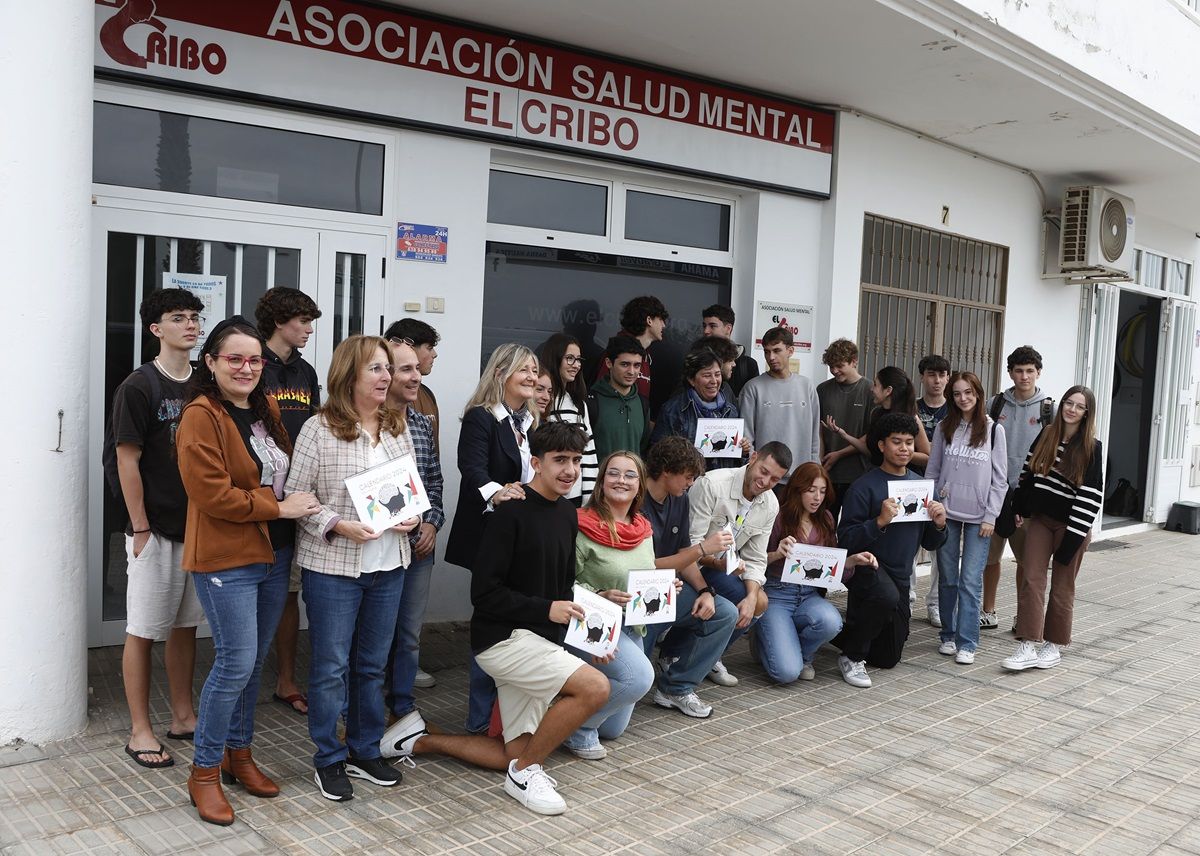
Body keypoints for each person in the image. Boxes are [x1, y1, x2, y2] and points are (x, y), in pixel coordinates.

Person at [379, 423, 610, 816]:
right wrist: (546, 610)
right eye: (559, 460)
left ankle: (416, 739)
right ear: (535, 463)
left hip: (540, 641)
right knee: (595, 688)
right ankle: (525, 774)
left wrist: (596, 629)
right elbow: (483, 594)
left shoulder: (569, 515)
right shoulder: (508, 514)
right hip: (501, 641)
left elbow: (562, 589)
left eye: (575, 460)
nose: (570, 470)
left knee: (511, 751)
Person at [176, 316, 321, 825]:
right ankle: (204, 772)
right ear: (210, 362)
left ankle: (240, 755)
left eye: (254, 359)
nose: (245, 367)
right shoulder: (201, 414)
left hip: (273, 554)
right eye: (233, 358)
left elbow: (287, 475)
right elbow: (211, 494)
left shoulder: (265, 410)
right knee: (234, 663)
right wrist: (277, 507)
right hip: (226, 557)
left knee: (253, 663)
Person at [285, 336, 421, 802]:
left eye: (389, 368)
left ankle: (364, 750)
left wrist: (415, 517)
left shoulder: (398, 427)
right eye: (376, 370)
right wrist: (338, 524)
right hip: (334, 567)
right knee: (330, 668)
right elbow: (298, 500)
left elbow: (412, 493)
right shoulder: (318, 429)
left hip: (390, 565)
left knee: (371, 665)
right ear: (349, 376)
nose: (387, 377)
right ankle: (328, 758)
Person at [112, 288, 206, 770]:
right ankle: (139, 729)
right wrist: (141, 526)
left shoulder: (204, 381)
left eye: (193, 317)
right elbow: (127, 461)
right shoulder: (139, 386)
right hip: (154, 529)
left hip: (198, 527)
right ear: (156, 329)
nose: (189, 325)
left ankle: (183, 715)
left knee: (185, 626)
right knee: (143, 629)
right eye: (177, 318)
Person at [445, 343, 541, 734]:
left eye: (535, 371)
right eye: (525, 370)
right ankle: (480, 721)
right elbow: (470, 467)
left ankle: (510, 716)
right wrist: (495, 491)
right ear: (501, 373)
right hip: (490, 534)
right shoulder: (481, 417)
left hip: (522, 532)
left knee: (517, 621)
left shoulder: (528, 421)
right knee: (492, 621)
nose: (533, 377)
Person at [833, 413, 947, 688]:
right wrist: (879, 522)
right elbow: (846, 538)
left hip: (899, 576)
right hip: (865, 567)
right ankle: (851, 655)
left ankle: (832, 630)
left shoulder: (920, 487)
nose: (905, 448)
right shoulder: (864, 487)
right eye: (897, 442)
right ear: (881, 445)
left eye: (909, 442)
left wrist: (940, 524)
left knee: (886, 658)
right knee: (884, 596)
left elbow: (931, 544)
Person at [561, 451, 657, 759]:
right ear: (601, 482)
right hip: (591, 623)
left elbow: (648, 574)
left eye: (630, 475)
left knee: (613, 729)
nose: (621, 480)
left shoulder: (643, 529)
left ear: (639, 486)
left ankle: (570, 705)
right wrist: (598, 595)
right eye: (613, 473)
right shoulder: (581, 525)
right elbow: (560, 584)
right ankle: (573, 728)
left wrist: (666, 587)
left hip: (632, 625)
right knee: (639, 678)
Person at [256, 286, 323, 718]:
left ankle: (285, 679)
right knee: (264, 588)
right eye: (303, 321)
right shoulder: (252, 365)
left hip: (302, 494)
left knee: (290, 591)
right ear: (280, 321)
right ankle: (247, 677)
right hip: (262, 497)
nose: (309, 329)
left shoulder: (306, 371)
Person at [1003, 386, 1102, 672]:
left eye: (1079, 406)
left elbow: (1092, 495)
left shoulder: (1091, 448)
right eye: (1068, 403)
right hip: (1041, 522)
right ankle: (1028, 644)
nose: (1071, 409)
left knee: (1062, 586)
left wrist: (1073, 538)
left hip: (1072, 527)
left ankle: (1053, 645)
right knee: (1032, 580)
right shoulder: (1047, 434)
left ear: (1086, 413)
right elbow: (1027, 473)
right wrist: (1019, 507)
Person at [640, 437, 737, 718]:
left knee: (723, 612)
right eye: (688, 476)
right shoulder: (636, 500)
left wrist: (707, 590)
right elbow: (647, 566)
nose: (690, 483)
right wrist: (704, 548)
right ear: (667, 470)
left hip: (672, 590)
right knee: (634, 682)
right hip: (636, 596)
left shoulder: (678, 500)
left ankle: (676, 687)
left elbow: (684, 554)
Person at [758, 462, 878, 683]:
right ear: (798, 488)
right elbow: (752, 561)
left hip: (808, 594)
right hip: (777, 593)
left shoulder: (826, 519)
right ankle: (765, 641)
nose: (817, 497)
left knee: (831, 622)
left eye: (822, 491)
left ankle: (803, 656)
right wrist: (776, 554)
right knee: (785, 674)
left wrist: (851, 561)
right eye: (811, 490)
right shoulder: (777, 516)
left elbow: (828, 571)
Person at [686, 442, 792, 686]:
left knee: (759, 601)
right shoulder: (712, 484)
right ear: (753, 458)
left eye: (775, 479)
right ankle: (680, 654)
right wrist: (720, 564)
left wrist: (752, 597)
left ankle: (711, 655)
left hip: (723, 566)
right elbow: (690, 544)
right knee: (735, 603)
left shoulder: (771, 504)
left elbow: (756, 557)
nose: (765, 482)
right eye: (764, 471)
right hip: (693, 565)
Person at [382, 338, 445, 730]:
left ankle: (402, 707)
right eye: (406, 369)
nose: (415, 376)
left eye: (416, 369)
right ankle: (363, 709)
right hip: (379, 548)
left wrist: (431, 522)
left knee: (408, 635)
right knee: (372, 636)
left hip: (419, 546)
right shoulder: (359, 426)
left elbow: (433, 483)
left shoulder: (422, 423)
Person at [925, 372, 1007, 665]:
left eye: (968, 392)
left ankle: (968, 641)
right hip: (945, 514)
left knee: (970, 581)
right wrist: (933, 504)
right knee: (947, 579)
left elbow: (1000, 480)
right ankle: (948, 634)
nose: (963, 398)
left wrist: (991, 516)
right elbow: (933, 471)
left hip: (979, 519)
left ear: (978, 393)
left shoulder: (994, 430)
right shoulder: (944, 427)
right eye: (957, 393)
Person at [981, 346, 1056, 631]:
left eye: (1029, 371)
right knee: (990, 558)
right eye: (1018, 371)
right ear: (1010, 372)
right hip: (995, 494)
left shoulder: (1049, 409)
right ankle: (988, 611)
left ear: (1038, 372)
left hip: (1029, 497)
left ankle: (1022, 615)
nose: (1024, 376)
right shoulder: (995, 405)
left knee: (1027, 562)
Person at [739, 327, 820, 481]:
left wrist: (815, 468)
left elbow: (815, 434)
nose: (771, 357)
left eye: (777, 351)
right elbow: (746, 437)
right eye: (767, 352)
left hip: (801, 477)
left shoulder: (807, 386)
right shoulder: (753, 388)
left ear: (790, 351)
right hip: (766, 479)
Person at [650, 348, 751, 471]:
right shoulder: (673, 410)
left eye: (717, 375)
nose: (714, 381)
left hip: (721, 486)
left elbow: (739, 465)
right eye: (707, 375)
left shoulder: (731, 411)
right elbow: (658, 456)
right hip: (689, 486)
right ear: (691, 380)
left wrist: (743, 451)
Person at [829, 366, 931, 470]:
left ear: (888, 390)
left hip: (903, 480)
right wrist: (844, 435)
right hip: (878, 476)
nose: (871, 389)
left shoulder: (911, 417)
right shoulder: (877, 414)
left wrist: (902, 453)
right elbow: (873, 452)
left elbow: (927, 457)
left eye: (875, 385)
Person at [539, 332, 600, 503]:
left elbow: (588, 454)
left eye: (579, 359)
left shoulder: (579, 403)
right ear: (555, 359)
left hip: (576, 498)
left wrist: (589, 500)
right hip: (546, 495)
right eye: (570, 358)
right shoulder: (541, 401)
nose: (576, 365)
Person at [816, 339, 874, 519]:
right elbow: (818, 431)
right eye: (831, 366)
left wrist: (839, 454)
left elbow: (870, 435)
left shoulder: (870, 390)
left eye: (839, 365)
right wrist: (820, 463)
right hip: (828, 474)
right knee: (825, 524)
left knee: (852, 526)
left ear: (854, 361)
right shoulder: (823, 389)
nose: (834, 371)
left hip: (859, 473)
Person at [915, 354, 950, 628]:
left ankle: (936, 604)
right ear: (922, 377)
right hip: (912, 487)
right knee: (908, 547)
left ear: (948, 378)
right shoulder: (911, 409)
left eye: (942, 375)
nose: (937, 381)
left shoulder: (956, 412)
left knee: (941, 549)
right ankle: (907, 598)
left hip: (945, 490)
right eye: (931, 374)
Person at [593, 295, 668, 405]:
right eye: (661, 319)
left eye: (636, 365)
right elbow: (601, 396)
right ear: (649, 320)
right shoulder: (617, 351)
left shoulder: (646, 354)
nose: (664, 325)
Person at [587, 335, 651, 461]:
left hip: (633, 479)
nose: (631, 371)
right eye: (625, 364)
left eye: (637, 365)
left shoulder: (643, 404)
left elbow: (643, 450)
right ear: (609, 363)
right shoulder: (590, 401)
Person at [385, 319, 441, 452]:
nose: (435, 354)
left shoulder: (428, 394)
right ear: (408, 347)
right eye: (429, 348)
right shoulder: (379, 395)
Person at [701, 303, 759, 396]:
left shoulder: (748, 365)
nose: (706, 331)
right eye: (704, 326)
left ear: (728, 328)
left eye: (712, 326)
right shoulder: (696, 360)